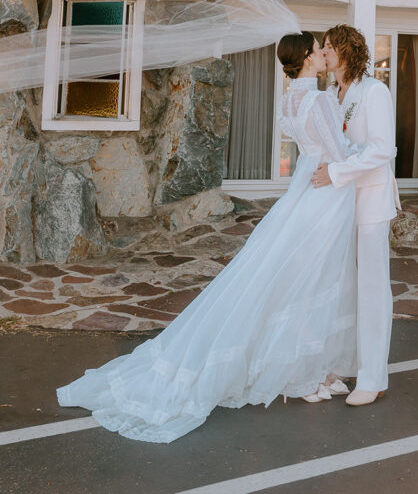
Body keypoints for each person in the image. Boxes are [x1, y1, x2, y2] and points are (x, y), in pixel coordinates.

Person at [57, 34, 358, 443]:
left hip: (302, 191)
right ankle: (304, 374)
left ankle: (305, 371)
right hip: (326, 194)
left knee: (284, 279)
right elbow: (339, 155)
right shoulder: (320, 100)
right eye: (318, 51)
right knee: (314, 279)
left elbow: (311, 146)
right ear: (306, 57)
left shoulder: (289, 99)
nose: (325, 57)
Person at [311, 25, 400, 407]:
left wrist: (335, 172)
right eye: (325, 47)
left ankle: (373, 377)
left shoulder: (375, 92)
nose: (325, 52)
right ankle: (342, 366)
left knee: (373, 290)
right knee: (344, 288)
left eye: (330, 46)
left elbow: (383, 149)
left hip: (371, 200)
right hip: (341, 203)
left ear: (347, 52)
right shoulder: (332, 94)